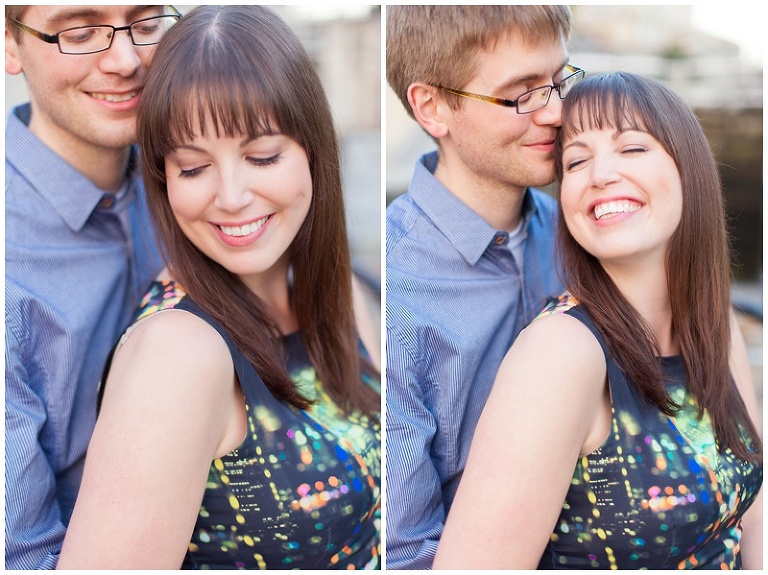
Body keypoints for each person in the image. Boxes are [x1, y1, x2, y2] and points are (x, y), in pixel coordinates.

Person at [55, 5, 381, 569]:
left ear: (314, 151)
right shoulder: (177, 354)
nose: (230, 197)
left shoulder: (348, 291)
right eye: (192, 167)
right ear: (163, 179)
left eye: (262, 156)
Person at [433, 71, 763, 570]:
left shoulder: (714, 325)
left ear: (688, 168)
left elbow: (753, 518)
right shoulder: (562, 353)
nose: (599, 174)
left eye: (631, 149)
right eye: (577, 160)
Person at [385, 6, 576, 568]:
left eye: (559, 80)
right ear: (432, 107)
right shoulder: (395, 297)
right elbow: (404, 554)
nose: (557, 112)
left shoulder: (583, 234)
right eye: (522, 94)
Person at [5, 5, 174, 569]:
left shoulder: (202, 182)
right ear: (10, 44)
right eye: (79, 33)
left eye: (147, 23)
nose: (126, 61)